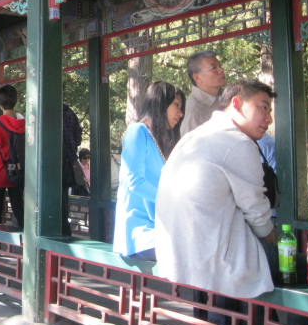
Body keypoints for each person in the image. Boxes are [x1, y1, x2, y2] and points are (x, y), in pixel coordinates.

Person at [156, 79, 277, 300]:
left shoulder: (195, 136)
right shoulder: (237, 142)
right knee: (289, 259)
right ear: (237, 104)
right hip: (214, 264)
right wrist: (275, 239)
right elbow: (257, 213)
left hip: (178, 258)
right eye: (263, 107)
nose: (268, 118)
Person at [113, 81, 184, 261]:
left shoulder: (160, 140)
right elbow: (133, 182)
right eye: (176, 105)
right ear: (160, 103)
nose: (180, 113)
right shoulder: (137, 131)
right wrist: (173, 200)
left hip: (160, 227)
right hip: (138, 234)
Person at [0, 85, 24, 227]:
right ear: (15, 101)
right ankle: (24, 236)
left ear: (0, 104)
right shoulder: (25, 124)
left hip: (0, 172)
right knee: (19, 208)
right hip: (18, 172)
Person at [180, 50, 226, 136]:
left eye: (220, 66)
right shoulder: (193, 110)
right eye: (214, 68)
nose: (221, 70)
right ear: (197, 77)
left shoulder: (227, 98)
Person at [62, 103, 82, 235]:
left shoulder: (46, 112)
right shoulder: (70, 113)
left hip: (52, 162)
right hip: (68, 162)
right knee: (63, 197)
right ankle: (64, 229)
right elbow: (77, 139)